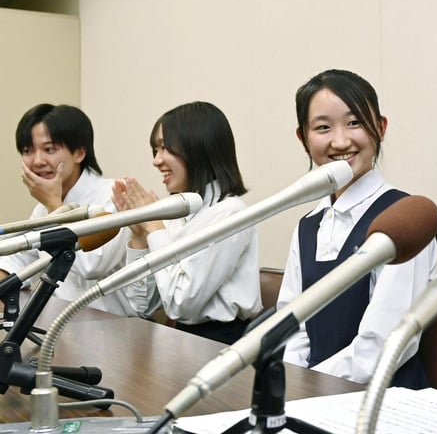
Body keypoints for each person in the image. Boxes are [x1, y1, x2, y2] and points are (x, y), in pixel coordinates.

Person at [276, 69, 437, 388]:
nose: (341, 141)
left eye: (354, 123)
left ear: (380, 127)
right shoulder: (308, 225)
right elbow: (291, 327)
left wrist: (308, 388)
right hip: (313, 401)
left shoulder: (404, 221)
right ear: (303, 138)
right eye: (323, 127)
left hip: (383, 403)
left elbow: (382, 346)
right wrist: (291, 385)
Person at [111, 101, 261, 344]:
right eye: (155, 150)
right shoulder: (177, 213)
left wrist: (155, 229)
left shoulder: (230, 213)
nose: (156, 161)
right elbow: (142, 305)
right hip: (179, 340)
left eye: (164, 148)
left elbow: (180, 304)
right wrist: (139, 236)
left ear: (198, 148)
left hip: (222, 343)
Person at [0, 103, 135, 316]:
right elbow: (20, 260)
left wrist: (54, 204)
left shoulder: (114, 195)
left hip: (113, 326)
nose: (37, 161)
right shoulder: (43, 207)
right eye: (28, 151)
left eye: (49, 149)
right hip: (62, 322)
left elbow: (91, 265)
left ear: (79, 153)